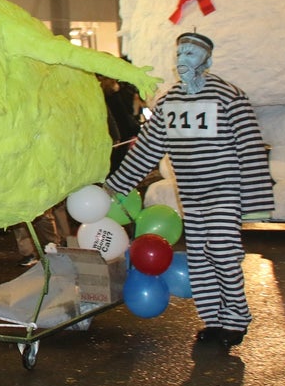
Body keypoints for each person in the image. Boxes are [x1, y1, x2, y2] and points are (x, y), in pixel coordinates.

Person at [106, 33, 274, 348]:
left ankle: (235, 320)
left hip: (224, 192)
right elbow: (147, 150)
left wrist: (256, 202)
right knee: (199, 258)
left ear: (207, 60)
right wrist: (116, 185)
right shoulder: (170, 102)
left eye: (192, 53)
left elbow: (250, 149)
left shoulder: (229, 97)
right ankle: (213, 321)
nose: (184, 59)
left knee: (223, 255)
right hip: (192, 196)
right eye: (180, 52)